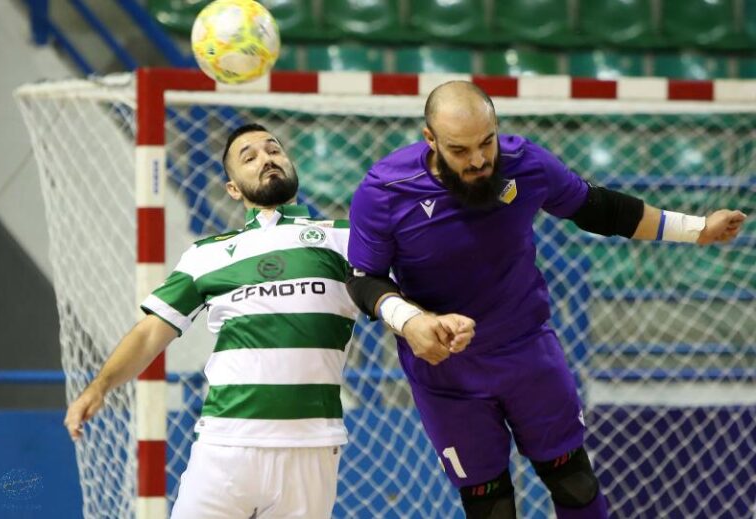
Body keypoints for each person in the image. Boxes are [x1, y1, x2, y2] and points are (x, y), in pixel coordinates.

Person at [345, 81, 747, 519]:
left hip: (528, 354)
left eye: (486, 142)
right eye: (460, 150)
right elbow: (364, 279)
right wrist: (410, 321)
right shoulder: (385, 191)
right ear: (430, 140)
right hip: (447, 371)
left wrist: (696, 229)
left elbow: (598, 208)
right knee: (489, 504)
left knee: (574, 482)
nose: (479, 160)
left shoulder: (525, 163)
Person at [64, 123, 362, 518]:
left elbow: (399, 298)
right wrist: (100, 386)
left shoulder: (345, 238)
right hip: (224, 446)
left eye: (273, 150)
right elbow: (151, 332)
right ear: (233, 189)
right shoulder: (207, 255)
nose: (266, 158)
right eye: (249, 157)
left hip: (311, 446)